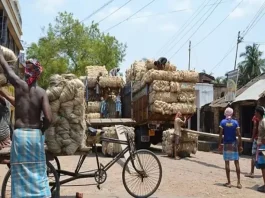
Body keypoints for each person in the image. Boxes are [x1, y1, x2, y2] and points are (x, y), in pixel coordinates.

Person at [0, 55, 52, 197]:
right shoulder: (42, 93)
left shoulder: (18, 85)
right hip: (35, 135)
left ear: (25, 72)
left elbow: (7, 70)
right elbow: (48, 118)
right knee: (38, 169)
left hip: (20, 135)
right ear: (38, 73)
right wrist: (42, 130)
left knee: (19, 170)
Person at [218, 107, 243, 189]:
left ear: (225, 113)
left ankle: (229, 182)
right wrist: (240, 145)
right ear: (232, 114)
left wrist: (219, 144)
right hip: (234, 144)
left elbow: (220, 134)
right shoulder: (235, 122)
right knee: (237, 163)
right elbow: (239, 134)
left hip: (226, 144)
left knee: (227, 163)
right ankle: (239, 183)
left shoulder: (223, 122)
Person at [254, 106, 265, 193]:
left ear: (259, 113)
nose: (255, 114)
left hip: (263, 146)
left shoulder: (264, 121)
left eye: (256, 112)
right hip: (261, 145)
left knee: (263, 166)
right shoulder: (261, 121)